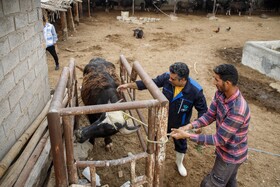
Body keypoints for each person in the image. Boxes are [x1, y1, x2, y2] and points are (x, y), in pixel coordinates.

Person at [117, 62, 208, 177]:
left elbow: (203, 110)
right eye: (170, 76)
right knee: (157, 140)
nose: (169, 79)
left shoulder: (195, 91)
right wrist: (129, 85)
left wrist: (198, 125)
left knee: (181, 144)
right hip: (162, 120)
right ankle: (154, 160)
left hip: (181, 125)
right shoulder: (167, 78)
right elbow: (150, 83)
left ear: (183, 79)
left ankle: (179, 163)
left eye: (173, 79)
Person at [171, 64, 251, 186]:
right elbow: (210, 115)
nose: (214, 82)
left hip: (230, 156)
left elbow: (219, 139)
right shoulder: (220, 94)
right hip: (225, 151)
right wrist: (189, 126)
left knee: (209, 184)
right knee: (230, 181)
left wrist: (186, 135)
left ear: (228, 83)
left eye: (217, 80)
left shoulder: (237, 110)